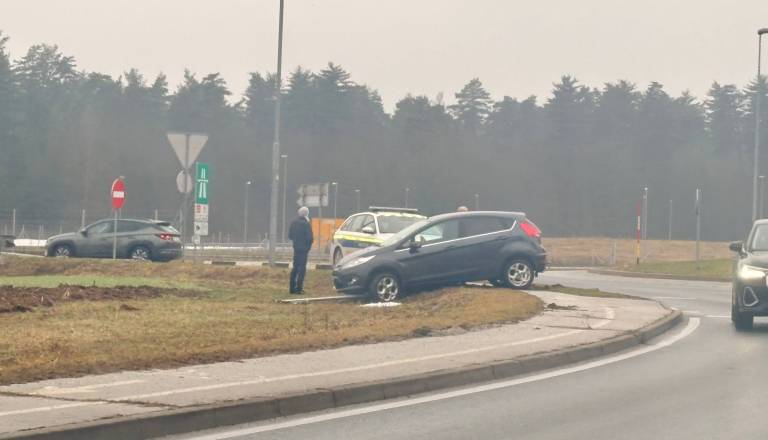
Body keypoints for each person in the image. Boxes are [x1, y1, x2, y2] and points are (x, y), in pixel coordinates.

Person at [288, 206, 313, 294]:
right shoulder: (306, 224)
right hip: (304, 250)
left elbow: (290, 236)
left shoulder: (293, 222)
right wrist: (308, 247)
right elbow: (310, 238)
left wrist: (296, 241)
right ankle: (299, 288)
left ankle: (291, 288)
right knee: (302, 268)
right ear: (306, 214)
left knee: (295, 267)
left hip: (296, 248)